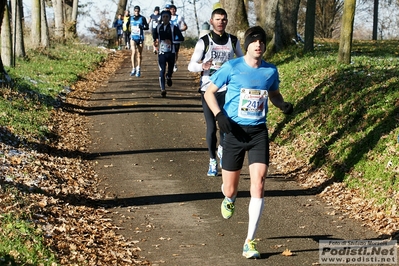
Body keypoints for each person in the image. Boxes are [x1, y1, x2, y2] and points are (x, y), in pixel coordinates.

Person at [204, 26, 294, 259]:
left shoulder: (270, 71)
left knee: (259, 183)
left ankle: (249, 241)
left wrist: (282, 105)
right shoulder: (232, 67)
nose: (258, 45)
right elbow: (209, 93)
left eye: (262, 42)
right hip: (233, 132)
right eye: (254, 41)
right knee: (231, 188)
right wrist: (219, 115)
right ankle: (229, 198)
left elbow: (273, 94)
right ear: (247, 45)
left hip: (257, 134)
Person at [188, 8, 243, 177]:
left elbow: (241, 61)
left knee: (226, 126)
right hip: (208, 89)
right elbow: (191, 66)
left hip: (227, 89)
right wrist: (202, 66)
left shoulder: (233, 41)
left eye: (224, 19)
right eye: (218, 19)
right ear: (211, 22)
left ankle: (222, 149)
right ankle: (212, 160)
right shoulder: (204, 41)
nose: (221, 22)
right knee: (211, 128)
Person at [154, 10, 184, 97]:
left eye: (167, 17)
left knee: (170, 70)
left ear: (170, 18)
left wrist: (172, 42)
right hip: (162, 53)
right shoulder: (158, 27)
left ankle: (169, 77)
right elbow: (155, 38)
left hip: (171, 53)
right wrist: (155, 43)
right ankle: (163, 89)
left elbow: (181, 38)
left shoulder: (173, 27)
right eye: (164, 17)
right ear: (162, 18)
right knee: (162, 70)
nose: (165, 18)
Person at [129, 6, 149, 77]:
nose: (136, 12)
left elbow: (147, 27)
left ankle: (138, 69)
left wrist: (142, 27)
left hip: (140, 38)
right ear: (134, 11)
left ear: (139, 11)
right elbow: (127, 27)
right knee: (133, 52)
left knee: (139, 54)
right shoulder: (130, 18)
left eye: (137, 11)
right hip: (133, 37)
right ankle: (133, 68)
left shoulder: (142, 18)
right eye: (135, 11)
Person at [169, 4, 187, 72]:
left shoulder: (179, 17)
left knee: (176, 53)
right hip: (169, 38)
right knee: (170, 52)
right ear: (169, 10)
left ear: (175, 10)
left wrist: (180, 30)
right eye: (171, 9)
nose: (172, 10)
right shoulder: (167, 17)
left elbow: (185, 26)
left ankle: (174, 63)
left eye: (174, 9)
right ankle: (170, 64)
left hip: (176, 38)